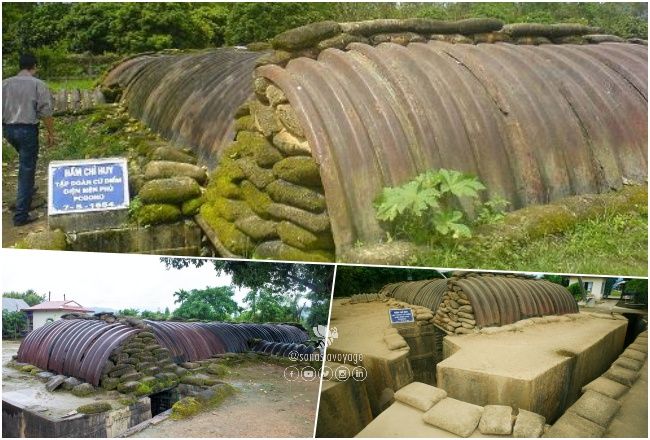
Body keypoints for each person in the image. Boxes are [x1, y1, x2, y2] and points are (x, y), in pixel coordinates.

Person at [2, 53, 55, 226]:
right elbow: (45, 111)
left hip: (8, 130)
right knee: (26, 168)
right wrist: (50, 133)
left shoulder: (5, 84)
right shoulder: (39, 85)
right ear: (35, 66)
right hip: (27, 130)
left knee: (26, 162)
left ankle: (28, 193)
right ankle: (21, 216)